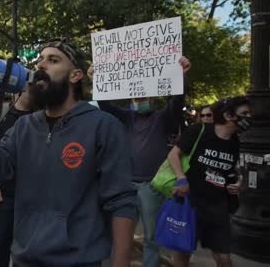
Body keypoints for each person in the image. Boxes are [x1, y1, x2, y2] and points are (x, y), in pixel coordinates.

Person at [0, 38, 137, 267]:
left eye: (53, 60)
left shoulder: (104, 126)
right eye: (40, 60)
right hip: (24, 260)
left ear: (75, 75)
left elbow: (122, 203)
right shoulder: (23, 127)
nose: (41, 66)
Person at [90, 56, 191, 267]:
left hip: (149, 185)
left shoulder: (162, 117)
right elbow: (105, 104)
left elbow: (176, 102)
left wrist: (180, 77)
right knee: (117, 234)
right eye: (136, 97)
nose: (140, 100)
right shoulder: (125, 117)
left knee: (151, 236)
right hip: (124, 185)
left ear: (153, 97)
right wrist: (96, 79)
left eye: (144, 96)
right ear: (130, 100)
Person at [168, 96, 251, 267]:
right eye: (244, 113)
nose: (249, 117)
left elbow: (231, 171)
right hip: (191, 203)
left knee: (224, 258)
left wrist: (238, 183)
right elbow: (173, 155)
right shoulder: (199, 131)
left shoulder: (235, 142)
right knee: (183, 253)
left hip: (218, 207)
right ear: (229, 115)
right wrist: (181, 178)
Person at [0, 91, 33, 267]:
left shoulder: (43, 116)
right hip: (3, 193)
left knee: (29, 246)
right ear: (17, 91)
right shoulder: (0, 115)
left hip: (33, 194)